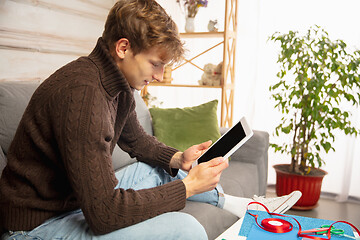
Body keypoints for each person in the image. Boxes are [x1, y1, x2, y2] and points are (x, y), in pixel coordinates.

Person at [0, 0, 301, 239]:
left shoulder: (118, 85)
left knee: (163, 168)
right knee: (188, 230)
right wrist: (187, 189)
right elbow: (103, 213)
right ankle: (239, 205)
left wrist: (179, 158)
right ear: (123, 47)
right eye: (155, 64)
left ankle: (248, 207)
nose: (159, 76)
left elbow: (136, 139)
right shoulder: (83, 97)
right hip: (37, 226)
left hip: (76, 201)